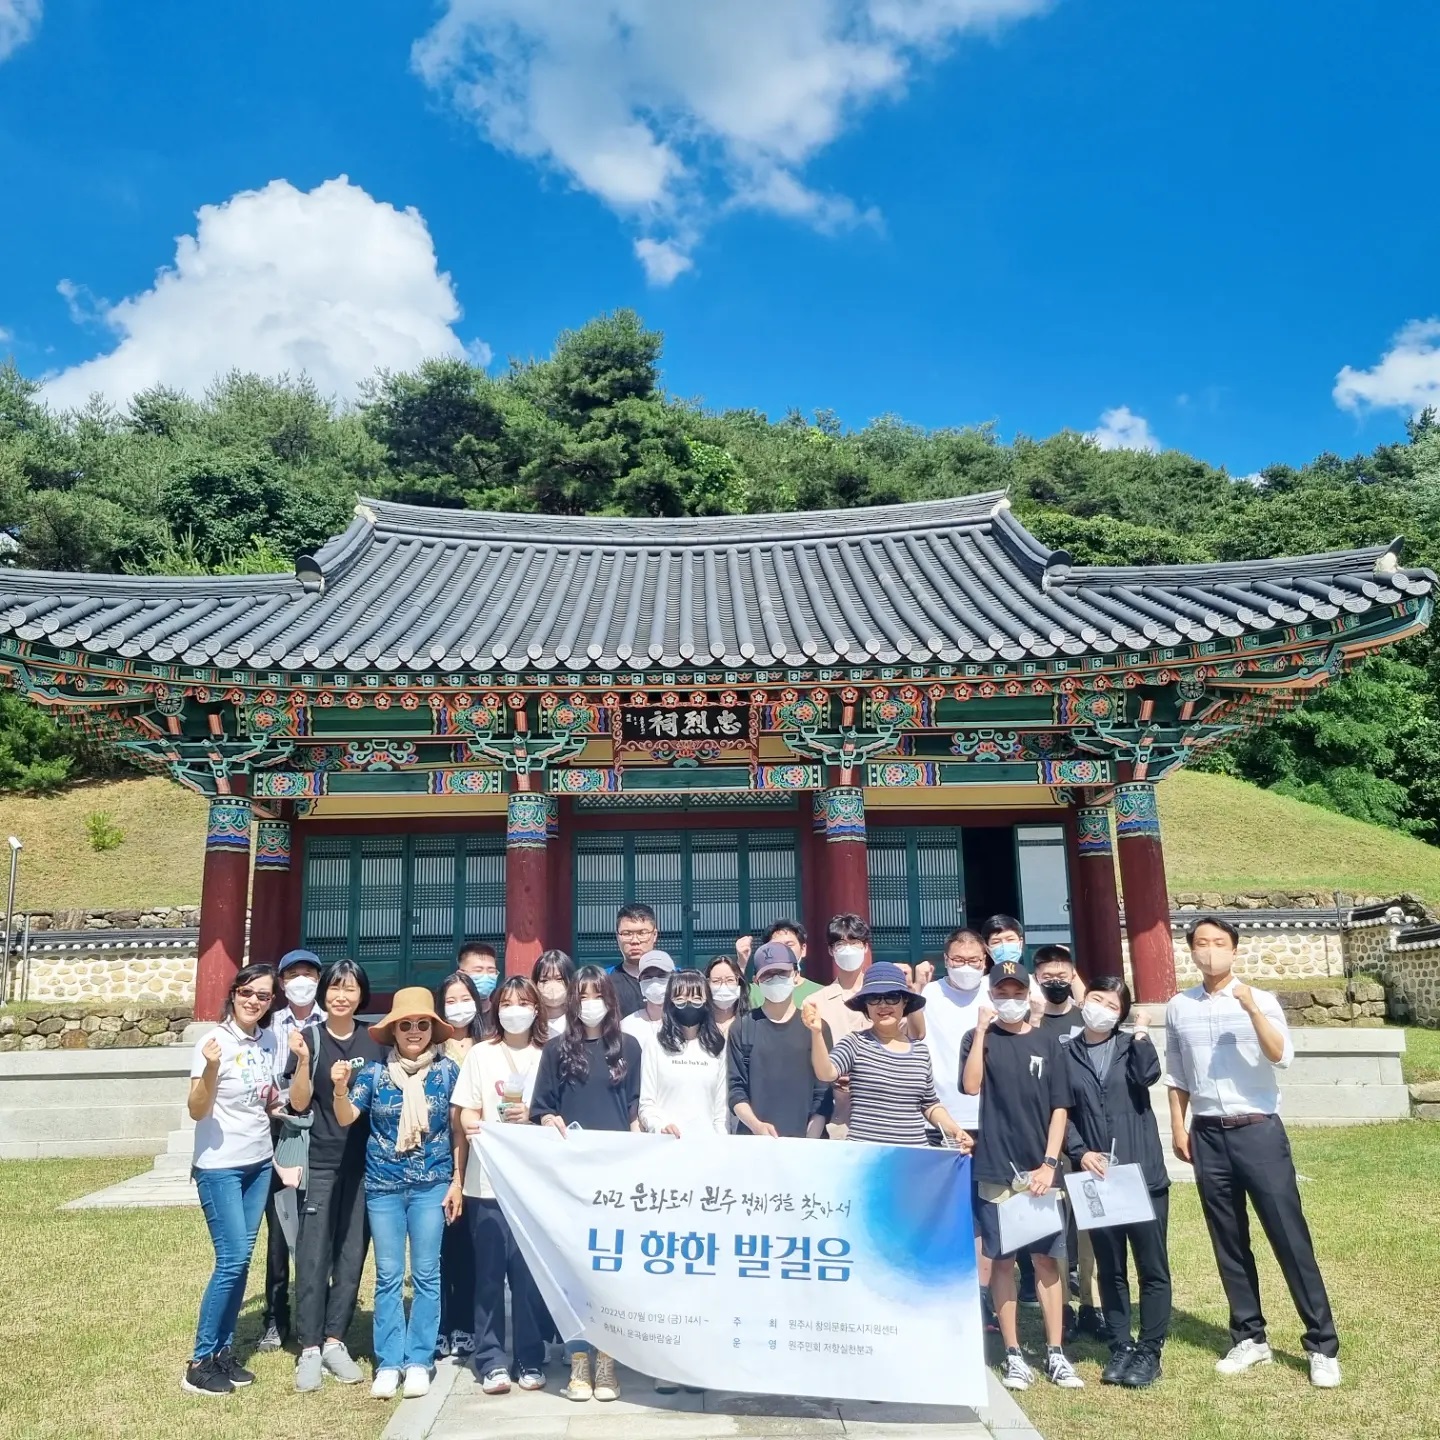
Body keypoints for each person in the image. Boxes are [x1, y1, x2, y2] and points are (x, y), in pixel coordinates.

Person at [1166, 917, 1341, 1388]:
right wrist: (1178, 1127)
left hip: (1258, 1130)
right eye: (1200, 944)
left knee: (1288, 1235)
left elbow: (1281, 1056)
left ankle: (1321, 1344)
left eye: (1218, 943)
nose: (1209, 952)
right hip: (1206, 1134)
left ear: (1234, 950)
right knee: (1228, 1240)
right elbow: (1177, 1073)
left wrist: (1251, 1011)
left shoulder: (1259, 998)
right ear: (1191, 952)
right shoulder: (1179, 1006)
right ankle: (1250, 1336)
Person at [334, 987, 464, 1401]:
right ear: (392, 1030)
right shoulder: (373, 1074)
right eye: (405, 1025)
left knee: (426, 1275)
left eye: (422, 1024)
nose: (414, 1031)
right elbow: (347, 1116)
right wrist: (339, 1087)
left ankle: (420, 1359)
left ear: (432, 1030)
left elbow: (459, 1130)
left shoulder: (448, 1073)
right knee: (389, 1276)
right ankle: (390, 1361)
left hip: (432, 1184)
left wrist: (458, 1181)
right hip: (384, 1188)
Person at [960, 960, 1083, 1392]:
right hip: (996, 1166)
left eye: (1016, 992)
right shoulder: (980, 1040)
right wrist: (979, 1032)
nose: (1008, 1000)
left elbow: (1060, 1108)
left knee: (1048, 1259)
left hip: (1041, 1169)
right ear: (990, 996)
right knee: (1003, 1260)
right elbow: (971, 1086)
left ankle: (1055, 1351)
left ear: (1026, 992)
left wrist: (1050, 1164)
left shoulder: (1049, 1042)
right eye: (1001, 993)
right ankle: (1012, 1352)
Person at [530, 967, 642, 1403]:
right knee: (575, 1270)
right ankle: (579, 1360)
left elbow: (634, 1108)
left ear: (611, 1000)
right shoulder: (557, 1048)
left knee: (610, 1271)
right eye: (583, 995)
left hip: (615, 1178)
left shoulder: (627, 1046)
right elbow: (542, 1106)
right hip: (572, 1178)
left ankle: (608, 1361)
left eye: (598, 994)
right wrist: (549, 1119)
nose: (590, 1002)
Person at [1062, 977, 1171, 1388]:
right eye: (1096, 999)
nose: (1101, 1008)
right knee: (1110, 1266)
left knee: (1151, 1265)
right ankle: (1120, 1344)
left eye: (1112, 1004)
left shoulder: (1130, 1045)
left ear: (1121, 1014)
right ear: (1083, 1001)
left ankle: (1149, 1350)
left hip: (1141, 1172)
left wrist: (1141, 1031)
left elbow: (1148, 1076)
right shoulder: (1067, 1053)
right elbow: (1061, 1109)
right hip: (1098, 1175)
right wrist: (1079, 1150)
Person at [183, 963, 280, 1396]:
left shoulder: (270, 1040)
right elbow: (197, 1110)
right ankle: (200, 1361)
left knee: (242, 1260)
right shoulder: (212, 1041)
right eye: (247, 992)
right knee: (232, 1259)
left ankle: (223, 1352)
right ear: (234, 992)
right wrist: (209, 1068)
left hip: (259, 1161)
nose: (254, 1001)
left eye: (263, 996)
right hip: (219, 1165)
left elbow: (269, 1098)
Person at [287, 959, 382, 1393]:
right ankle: (308, 1347)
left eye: (350, 989)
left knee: (350, 1252)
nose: (341, 996)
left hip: (366, 1163)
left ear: (362, 994)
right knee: (313, 1252)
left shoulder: (375, 1038)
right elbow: (300, 1102)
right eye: (334, 988)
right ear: (325, 993)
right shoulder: (308, 1037)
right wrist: (305, 1061)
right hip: (322, 1160)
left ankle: (334, 1340)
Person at [452, 976, 549, 1395]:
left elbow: (556, 1111)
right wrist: (472, 1121)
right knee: (489, 1275)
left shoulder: (550, 1052)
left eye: (523, 1002)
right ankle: (491, 1359)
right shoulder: (480, 1054)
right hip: (486, 1182)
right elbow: (463, 1112)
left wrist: (532, 1114)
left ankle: (530, 1355)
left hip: (534, 1185)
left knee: (528, 1277)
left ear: (536, 1008)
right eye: (507, 1003)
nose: (514, 1010)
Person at [803, 962, 969, 1149]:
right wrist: (816, 1033)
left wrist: (955, 1131)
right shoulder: (855, 1042)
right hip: (866, 1156)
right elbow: (826, 1073)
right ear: (865, 1006)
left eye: (892, 997)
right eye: (874, 998)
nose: (883, 1005)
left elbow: (929, 1104)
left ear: (904, 1002)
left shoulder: (921, 1052)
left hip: (913, 1156)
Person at [1031, 944, 1104, 1338]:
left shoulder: (1086, 1019)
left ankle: (1092, 1302)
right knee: (1055, 1226)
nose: (1055, 982)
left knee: (1090, 1223)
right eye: (1047, 976)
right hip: (1049, 1138)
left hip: (1088, 1136)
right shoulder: (1031, 1022)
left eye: (1062, 975)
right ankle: (1062, 1307)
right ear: (1037, 978)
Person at [258, 948, 326, 1353]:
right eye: (293, 975)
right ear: (282, 983)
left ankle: (313, 1316)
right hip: (276, 1132)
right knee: (280, 1227)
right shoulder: (269, 1026)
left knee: (317, 1228)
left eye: (309, 974)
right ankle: (274, 1316)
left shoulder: (328, 1023)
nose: (302, 980)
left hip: (317, 1134)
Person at [727, 941, 832, 1140]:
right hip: (755, 1142)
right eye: (768, 974)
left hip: (808, 1142)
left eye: (782, 972)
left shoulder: (816, 1027)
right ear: (756, 980)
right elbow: (735, 1090)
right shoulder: (743, 1027)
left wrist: (811, 1138)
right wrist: (756, 1126)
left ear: (796, 974)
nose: (775, 979)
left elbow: (824, 1090)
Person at [434, 970, 486, 1362]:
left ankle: (467, 1324)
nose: (458, 1006)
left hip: (483, 1158)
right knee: (439, 1248)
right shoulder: (431, 1047)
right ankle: (439, 1325)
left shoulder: (488, 1046)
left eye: (464, 998)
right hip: (438, 1158)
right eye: (450, 1000)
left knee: (471, 1247)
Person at [640, 970, 729, 1139]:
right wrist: (661, 1127)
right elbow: (646, 1104)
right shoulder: (655, 1044)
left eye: (696, 999)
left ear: (707, 1003)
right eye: (680, 999)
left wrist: (721, 1142)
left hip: (707, 1146)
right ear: (669, 1002)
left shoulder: (718, 1046)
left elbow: (721, 1110)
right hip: (666, 1145)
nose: (688, 1005)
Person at [739, 919, 821, 1006]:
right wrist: (741, 963)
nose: (783, 951)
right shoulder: (754, 993)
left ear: (803, 949)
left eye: (789, 945)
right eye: (777, 946)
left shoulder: (821, 994)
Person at [620, 948, 675, 1049]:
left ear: (674, 978)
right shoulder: (627, 1026)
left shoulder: (685, 1024)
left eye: (662, 975)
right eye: (648, 977)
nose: (654, 981)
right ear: (640, 982)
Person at [612, 904, 660, 1016]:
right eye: (627, 934)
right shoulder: (604, 982)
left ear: (654, 935)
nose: (635, 941)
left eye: (642, 933)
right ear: (617, 937)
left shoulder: (675, 979)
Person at [457, 941, 500, 1038]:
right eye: (478, 971)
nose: (486, 975)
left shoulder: (501, 1014)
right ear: (461, 974)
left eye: (491, 971)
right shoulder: (453, 1014)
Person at [534, 948, 576, 1038]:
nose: (552, 986)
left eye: (559, 979)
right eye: (544, 980)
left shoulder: (580, 1023)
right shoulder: (529, 1024)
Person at [705, 954, 747, 1037]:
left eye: (730, 980)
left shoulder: (750, 1024)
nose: (723, 986)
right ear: (707, 983)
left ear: (738, 982)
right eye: (716, 981)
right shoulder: (699, 1025)